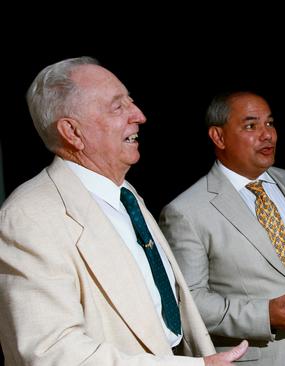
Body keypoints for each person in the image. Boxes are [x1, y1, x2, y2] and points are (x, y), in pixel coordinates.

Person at [0, 57, 248, 365]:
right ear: (72, 132)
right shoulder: (27, 218)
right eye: (118, 107)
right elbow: (51, 352)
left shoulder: (126, 195)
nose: (140, 116)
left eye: (131, 102)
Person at [158, 91, 285, 365]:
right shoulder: (186, 212)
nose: (268, 135)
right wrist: (262, 316)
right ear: (218, 137)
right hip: (258, 356)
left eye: (270, 123)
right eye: (251, 126)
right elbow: (189, 303)